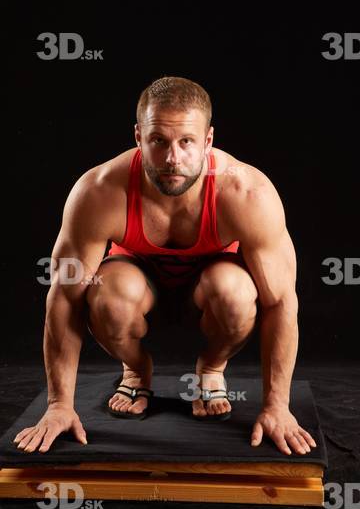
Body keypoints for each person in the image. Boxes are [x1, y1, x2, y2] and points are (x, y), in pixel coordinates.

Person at [14, 76, 317, 456]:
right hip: (135, 282)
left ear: (207, 141)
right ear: (139, 136)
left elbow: (281, 302)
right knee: (108, 295)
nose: (173, 158)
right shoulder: (99, 191)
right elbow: (63, 298)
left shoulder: (247, 193)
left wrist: (277, 407)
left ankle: (210, 368)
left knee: (236, 293)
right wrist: (59, 405)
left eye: (186, 142)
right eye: (159, 141)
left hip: (212, 287)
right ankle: (136, 370)